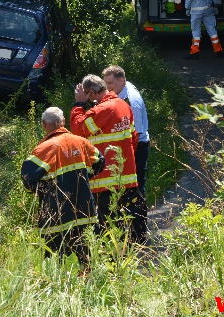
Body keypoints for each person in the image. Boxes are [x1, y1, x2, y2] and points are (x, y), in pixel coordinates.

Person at [21, 106, 105, 264]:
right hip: (84, 213)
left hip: (55, 218)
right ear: (63, 122)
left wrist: (41, 190)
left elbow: (27, 177)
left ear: (44, 125)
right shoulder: (81, 142)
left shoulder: (44, 149)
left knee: (54, 264)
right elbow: (100, 161)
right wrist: (86, 178)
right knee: (87, 260)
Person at [70, 74, 147, 244]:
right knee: (127, 214)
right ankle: (135, 246)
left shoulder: (101, 110)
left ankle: (114, 256)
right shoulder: (123, 105)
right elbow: (134, 138)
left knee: (108, 222)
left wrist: (79, 104)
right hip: (126, 175)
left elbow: (78, 129)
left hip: (106, 179)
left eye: (87, 95)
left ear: (90, 93)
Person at [101, 65, 150, 197]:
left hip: (137, 146)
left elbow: (136, 133)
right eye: (105, 84)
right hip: (129, 145)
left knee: (136, 186)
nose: (107, 88)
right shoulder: (122, 88)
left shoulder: (131, 102)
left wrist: (128, 158)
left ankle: (140, 216)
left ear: (121, 80)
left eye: (110, 83)